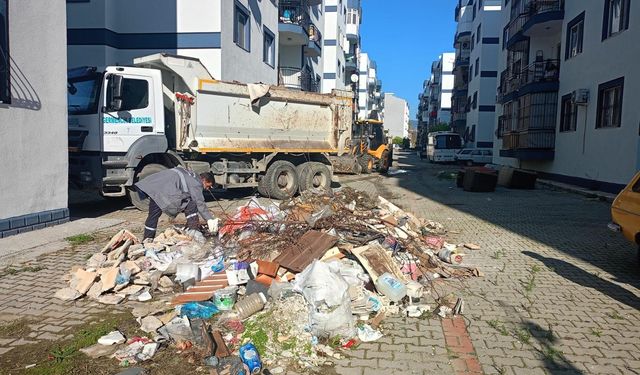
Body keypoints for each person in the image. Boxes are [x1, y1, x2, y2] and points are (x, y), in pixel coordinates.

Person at [135, 166, 219, 240]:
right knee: (192, 204)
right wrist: (209, 220)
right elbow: (200, 203)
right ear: (204, 180)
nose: (207, 189)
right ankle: (193, 231)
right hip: (165, 193)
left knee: (153, 215)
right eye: (208, 186)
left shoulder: (189, 174)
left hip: (156, 187)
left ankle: (148, 238)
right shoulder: (196, 183)